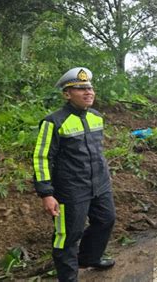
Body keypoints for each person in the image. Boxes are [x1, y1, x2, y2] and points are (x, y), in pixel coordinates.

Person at [33, 67, 116, 282]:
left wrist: (104, 175)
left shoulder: (97, 117)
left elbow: (97, 152)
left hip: (100, 185)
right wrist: (46, 193)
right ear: (67, 94)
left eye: (89, 87)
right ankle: (68, 278)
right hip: (70, 191)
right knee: (67, 237)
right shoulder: (53, 121)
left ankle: (89, 257)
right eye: (80, 88)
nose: (88, 92)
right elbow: (41, 158)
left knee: (106, 220)